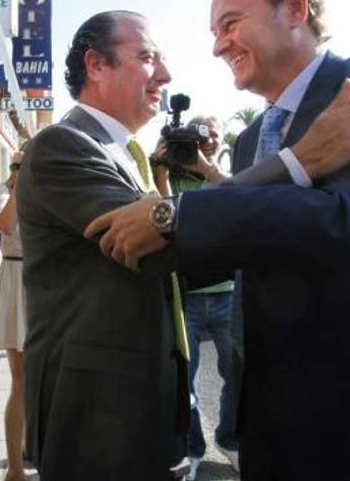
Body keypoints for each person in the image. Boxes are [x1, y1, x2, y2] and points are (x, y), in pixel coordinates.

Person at [18, 9, 350, 481]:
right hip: (92, 415)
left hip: (141, 411)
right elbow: (160, 249)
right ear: (96, 64)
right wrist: (300, 160)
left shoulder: (125, 154)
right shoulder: (63, 146)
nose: (166, 75)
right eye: (148, 57)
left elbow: (191, 249)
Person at [151, 115, 240, 478]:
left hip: (227, 293)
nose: (207, 142)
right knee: (183, 380)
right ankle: (193, 448)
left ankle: (230, 439)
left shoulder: (224, 181)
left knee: (237, 373)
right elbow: (158, 218)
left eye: (213, 136)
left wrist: (206, 170)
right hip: (186, 292)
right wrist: (159, 172)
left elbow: (246, 200)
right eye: (199, 137)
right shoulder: (172, 178)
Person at [0, 150, 28, 481]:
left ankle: (30, 446)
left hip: (46, 283)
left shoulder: (48, 189)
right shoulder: (2, 191)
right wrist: (18, 184)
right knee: (21, 381)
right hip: (17, 281)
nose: (20, 169)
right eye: (15, 164)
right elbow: (5, 224)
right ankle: (15, 470)